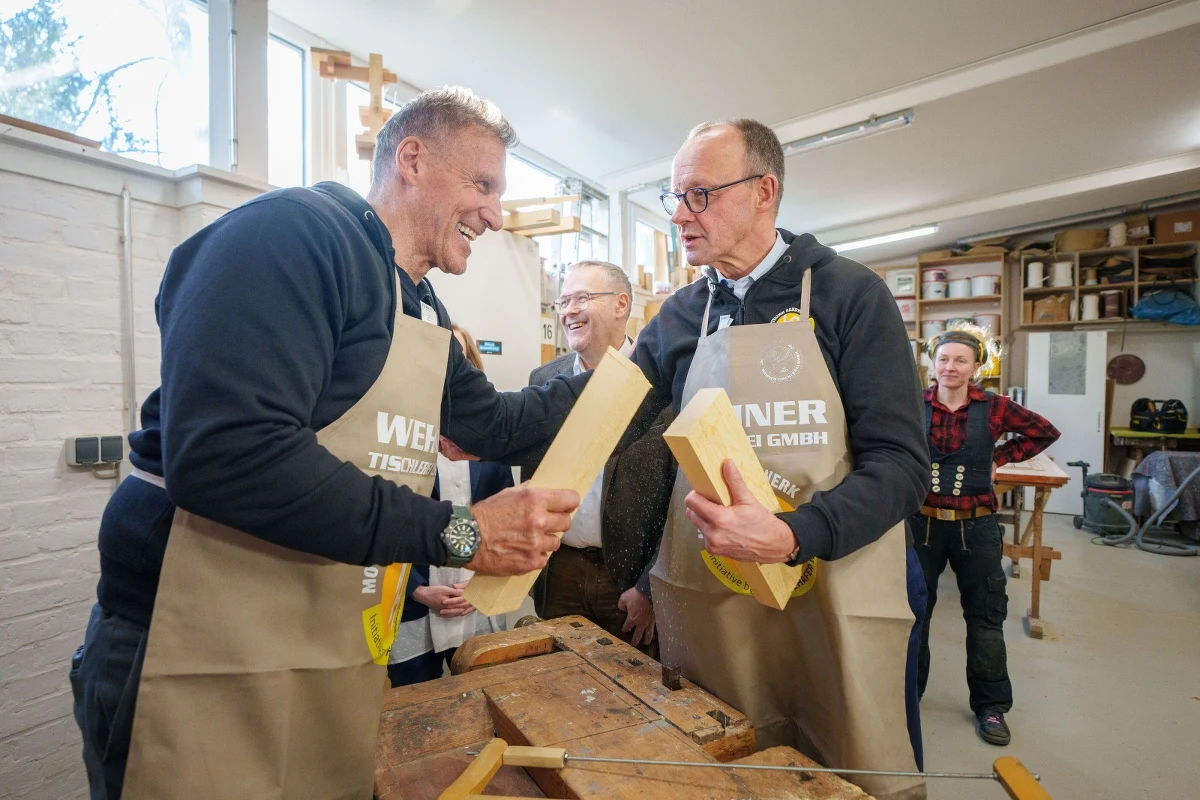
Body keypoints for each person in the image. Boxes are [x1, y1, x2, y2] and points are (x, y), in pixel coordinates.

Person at [70, 87, 588, 800]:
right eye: (483, 184)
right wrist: (463, 532)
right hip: (193, 634)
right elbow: (230, 454)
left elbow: (496, 427)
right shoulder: (293, 235)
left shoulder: (418, 303)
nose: (496, 215)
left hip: (321, 633)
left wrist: (632, 364)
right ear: (411, 159)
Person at [629, 119, 930, 800]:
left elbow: (903, 468)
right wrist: (481, 426)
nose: (679, 214)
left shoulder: (849, 294)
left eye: (699, 194)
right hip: (719, 591)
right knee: (732, 759)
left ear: (764, 191)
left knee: (847, 760)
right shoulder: (680, 316)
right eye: (673, 196)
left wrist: (796, 532)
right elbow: (598, 410)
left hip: (834, 581)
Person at [912, 325, 1059, 746]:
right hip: (920, 524)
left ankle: (991, 708)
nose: (950, 367)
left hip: (976, 526)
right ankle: (908, 697)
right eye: (943, 359)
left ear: (977, 366)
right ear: (931, 363)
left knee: (985, 618)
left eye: (960, 360)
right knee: (914, 615)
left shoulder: (995, 407)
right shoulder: (912, 403)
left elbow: (1044, 432)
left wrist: (1001, 457)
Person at [529, 261, 675, 656]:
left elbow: (680, 497)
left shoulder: (663, 382)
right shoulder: (544, 380)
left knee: (635, 697)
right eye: (563, 300)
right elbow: (534, 477)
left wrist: (649, 587)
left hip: (628, 585)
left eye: (582, 298)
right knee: (559, 691)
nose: (568, 310)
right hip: (559, 573)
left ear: (621, 304)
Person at [389, 324, 515, 685]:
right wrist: (415, 588)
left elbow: (502, 518)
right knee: (419, 712)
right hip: (415, 605)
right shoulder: (396, 434)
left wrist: (481, 585)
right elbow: (385, 519)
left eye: (455, 356)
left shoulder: (489, 439)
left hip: (477, 601)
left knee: (487, 698)